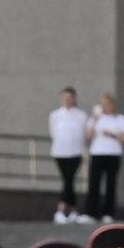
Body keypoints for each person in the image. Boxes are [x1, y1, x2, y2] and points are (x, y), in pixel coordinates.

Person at [84, 92, 124, 219]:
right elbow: (89, 135)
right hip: (97, 153)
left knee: (110, 184)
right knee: (94, 183)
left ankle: (108, 213)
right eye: (102, 104)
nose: (105, 106)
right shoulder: (95, 119)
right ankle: (91, 212)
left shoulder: (120, 119)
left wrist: (112, 135)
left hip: (113, 154)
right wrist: (95, 119)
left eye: (107, 104)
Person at [48, 87, 90, 216]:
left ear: (74, 99)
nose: (67, 100)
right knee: (67, 180)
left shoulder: (81, 115)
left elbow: (84, 133)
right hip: (60, 151)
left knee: (69, 179)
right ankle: (73, 209)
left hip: (75, 151)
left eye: (69, 97)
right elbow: (53, 132)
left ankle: (61, 208)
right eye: (65, 97)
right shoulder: (55, 115)